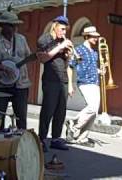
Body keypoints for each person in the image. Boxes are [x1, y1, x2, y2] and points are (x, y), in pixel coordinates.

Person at [0, 11, 31, 129]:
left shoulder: (21, 39)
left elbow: (28, 56)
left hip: (20, 85)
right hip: (1, 85)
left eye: (15, 25)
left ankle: (21, 143)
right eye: (11, 25)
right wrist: (2, 68)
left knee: (21, 118)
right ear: (2, 25)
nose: (15, 27)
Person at [36, 15, 74, 151]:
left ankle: (56, 139)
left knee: (60, 111)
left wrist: (70, 84)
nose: (64, 33)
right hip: (50, 79)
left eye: (65, 30)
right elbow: (43, 58)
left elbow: (68, 65)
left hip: (62, 79)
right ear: (55, 26)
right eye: (62, 29)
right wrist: (60, 47)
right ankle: (41, 139)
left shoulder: (61, 41)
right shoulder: (45, 39)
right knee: (48, 110)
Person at [67, 26, 102, 147]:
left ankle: (82, 138)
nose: (96, 39)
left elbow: (90, 67)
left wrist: (99, 71)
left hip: (95, 82)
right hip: (84, 82)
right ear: (86, 36)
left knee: (95, 112)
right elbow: (70, 66)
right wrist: (70, 85)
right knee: (92, 108)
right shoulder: (79, 50)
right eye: (94, 37)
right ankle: (74, 124)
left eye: (96, 37)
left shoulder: (95, 52)